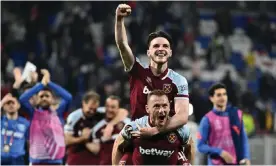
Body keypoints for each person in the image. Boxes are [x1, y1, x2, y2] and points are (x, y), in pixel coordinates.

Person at [115, 2, 189, 139]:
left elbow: (183, 116)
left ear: (171, 52)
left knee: (188, 139)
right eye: (156, 46)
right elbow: (122, 45)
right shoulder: (137, 70)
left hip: (167, 138)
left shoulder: (179, 80)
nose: (161, 49)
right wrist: (119, 20)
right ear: (148, 52)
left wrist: (155, 130)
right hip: (137, 135)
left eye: (165, 46)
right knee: (119, 142)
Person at [112, 90, 193, 165]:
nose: (161, 110)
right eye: (156, 106)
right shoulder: (134, 128)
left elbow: (190, 148)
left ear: (169, 107)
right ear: (147, 109)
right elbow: (117, 145)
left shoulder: (181, 130)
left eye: (164, 106)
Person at [19, 69, 72, 165]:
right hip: (36, 161)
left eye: (47, 96)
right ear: (37, 100)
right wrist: (41, 84)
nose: (44, 98)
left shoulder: (58, 113)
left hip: (55, 161)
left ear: (52, 99)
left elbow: (68, 97)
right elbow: (22, 99)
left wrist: (49, 83)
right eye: (41, 96)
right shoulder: (32, 113)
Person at [64, 91, 128, 165]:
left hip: (93, 160)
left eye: (94, 109)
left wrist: (110, 125)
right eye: (90, 108)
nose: (92, 112)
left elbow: (123, 111)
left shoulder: (98, 112)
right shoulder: (74, 117)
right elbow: (66, 141)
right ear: (83, 103)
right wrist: (82, 138)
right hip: (75, 159)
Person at [197, 83, 250, 165]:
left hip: (234, 163)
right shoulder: (207, 119)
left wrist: (246, 157)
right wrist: (220, 152)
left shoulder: (236, 115)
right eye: (219, 95)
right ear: (211, 98)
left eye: (224, 94)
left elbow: (243, 139)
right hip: (216, 163)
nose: (222, 97)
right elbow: (200, 146)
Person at [91, 96, 131, 165]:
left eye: (113, 107)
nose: (109, 109)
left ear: (119, 108)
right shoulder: (97, 128)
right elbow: (96, 150)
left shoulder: (128, 124)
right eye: (107, 106)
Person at [1, 94, 30, 165]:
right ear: (4, 107)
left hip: (18, 159)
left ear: (18, 105)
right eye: (8, 103)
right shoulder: (1, 120)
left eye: (13, 103)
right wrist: (2, 102)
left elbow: (29, 142)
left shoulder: (25, 123)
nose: (11, 105)